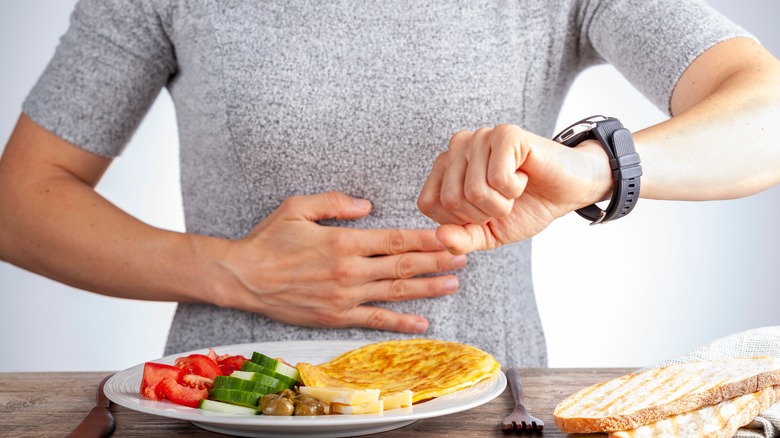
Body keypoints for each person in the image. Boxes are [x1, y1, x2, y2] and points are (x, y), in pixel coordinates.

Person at [0, 0, 777, 367]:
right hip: (227, 408)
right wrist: (230, 271)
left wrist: (596, 166)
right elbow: (20, 201)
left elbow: (764, 112)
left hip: (480, 414)